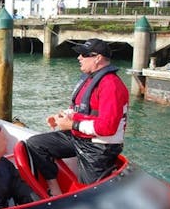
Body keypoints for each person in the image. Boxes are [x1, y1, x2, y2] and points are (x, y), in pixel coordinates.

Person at [25, 38, 128, 196]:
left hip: (98, 147)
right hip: (79, 137)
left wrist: (72, 125)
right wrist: (62, 116)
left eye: (84, 54)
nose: (79, 57)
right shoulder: (90, 79)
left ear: (98, 58)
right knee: (36, 144)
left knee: (92, 194)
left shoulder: (111, 85)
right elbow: (80, 108)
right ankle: (55, 190)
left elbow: (107, 128)